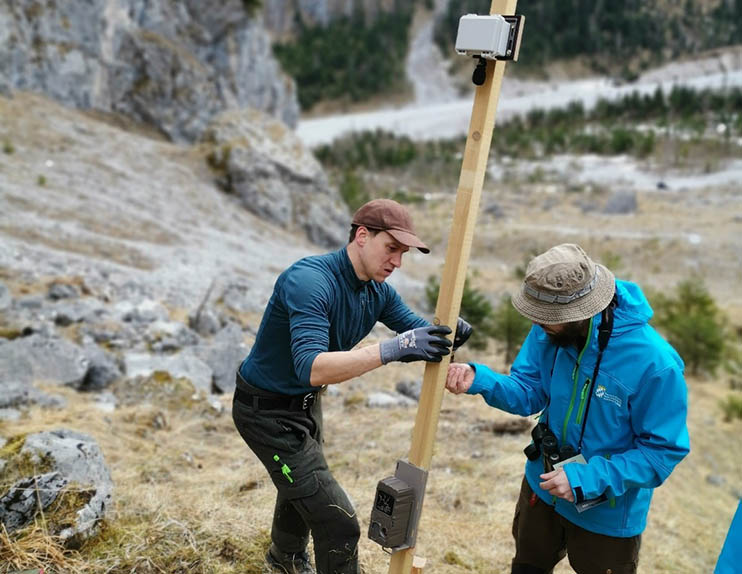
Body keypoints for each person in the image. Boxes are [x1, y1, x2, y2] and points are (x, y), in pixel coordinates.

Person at [232, 198, 472, 574]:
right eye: (391, 248)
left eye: (403, 253)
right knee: (338, 522)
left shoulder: (376, 292)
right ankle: (288, 561)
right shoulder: (310, 281)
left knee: (302, 489)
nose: (397, 262)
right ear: (362, 236)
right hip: (265, 413)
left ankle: (285, 562)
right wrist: (394, 348)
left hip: (305, 405)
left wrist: (447, 339)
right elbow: (312, 367)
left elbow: (415, 335)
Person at [445, 243, 690, 574]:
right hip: (542, 488)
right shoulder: (549, 327)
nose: (538, 323)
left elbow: (661, 453)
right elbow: (529, 393)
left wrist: (584, 477)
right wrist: (479, 379)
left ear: (582, 312)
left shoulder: (655, 364)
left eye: (549, 319)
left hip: (607, 516)